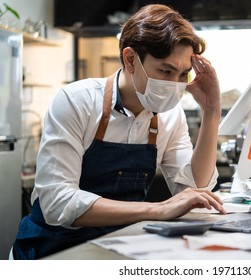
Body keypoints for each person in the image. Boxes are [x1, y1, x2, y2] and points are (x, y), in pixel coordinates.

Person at [12, 4, 226, 260]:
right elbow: (57, 202)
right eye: (165, 71)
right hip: (52, 249)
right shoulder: (76, 101)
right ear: (130, 59)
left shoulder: (170, 115)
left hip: (118, 247)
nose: (174, 85)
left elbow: (193, 189)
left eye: (183, 75)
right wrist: (156, 210)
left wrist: (212, 110)